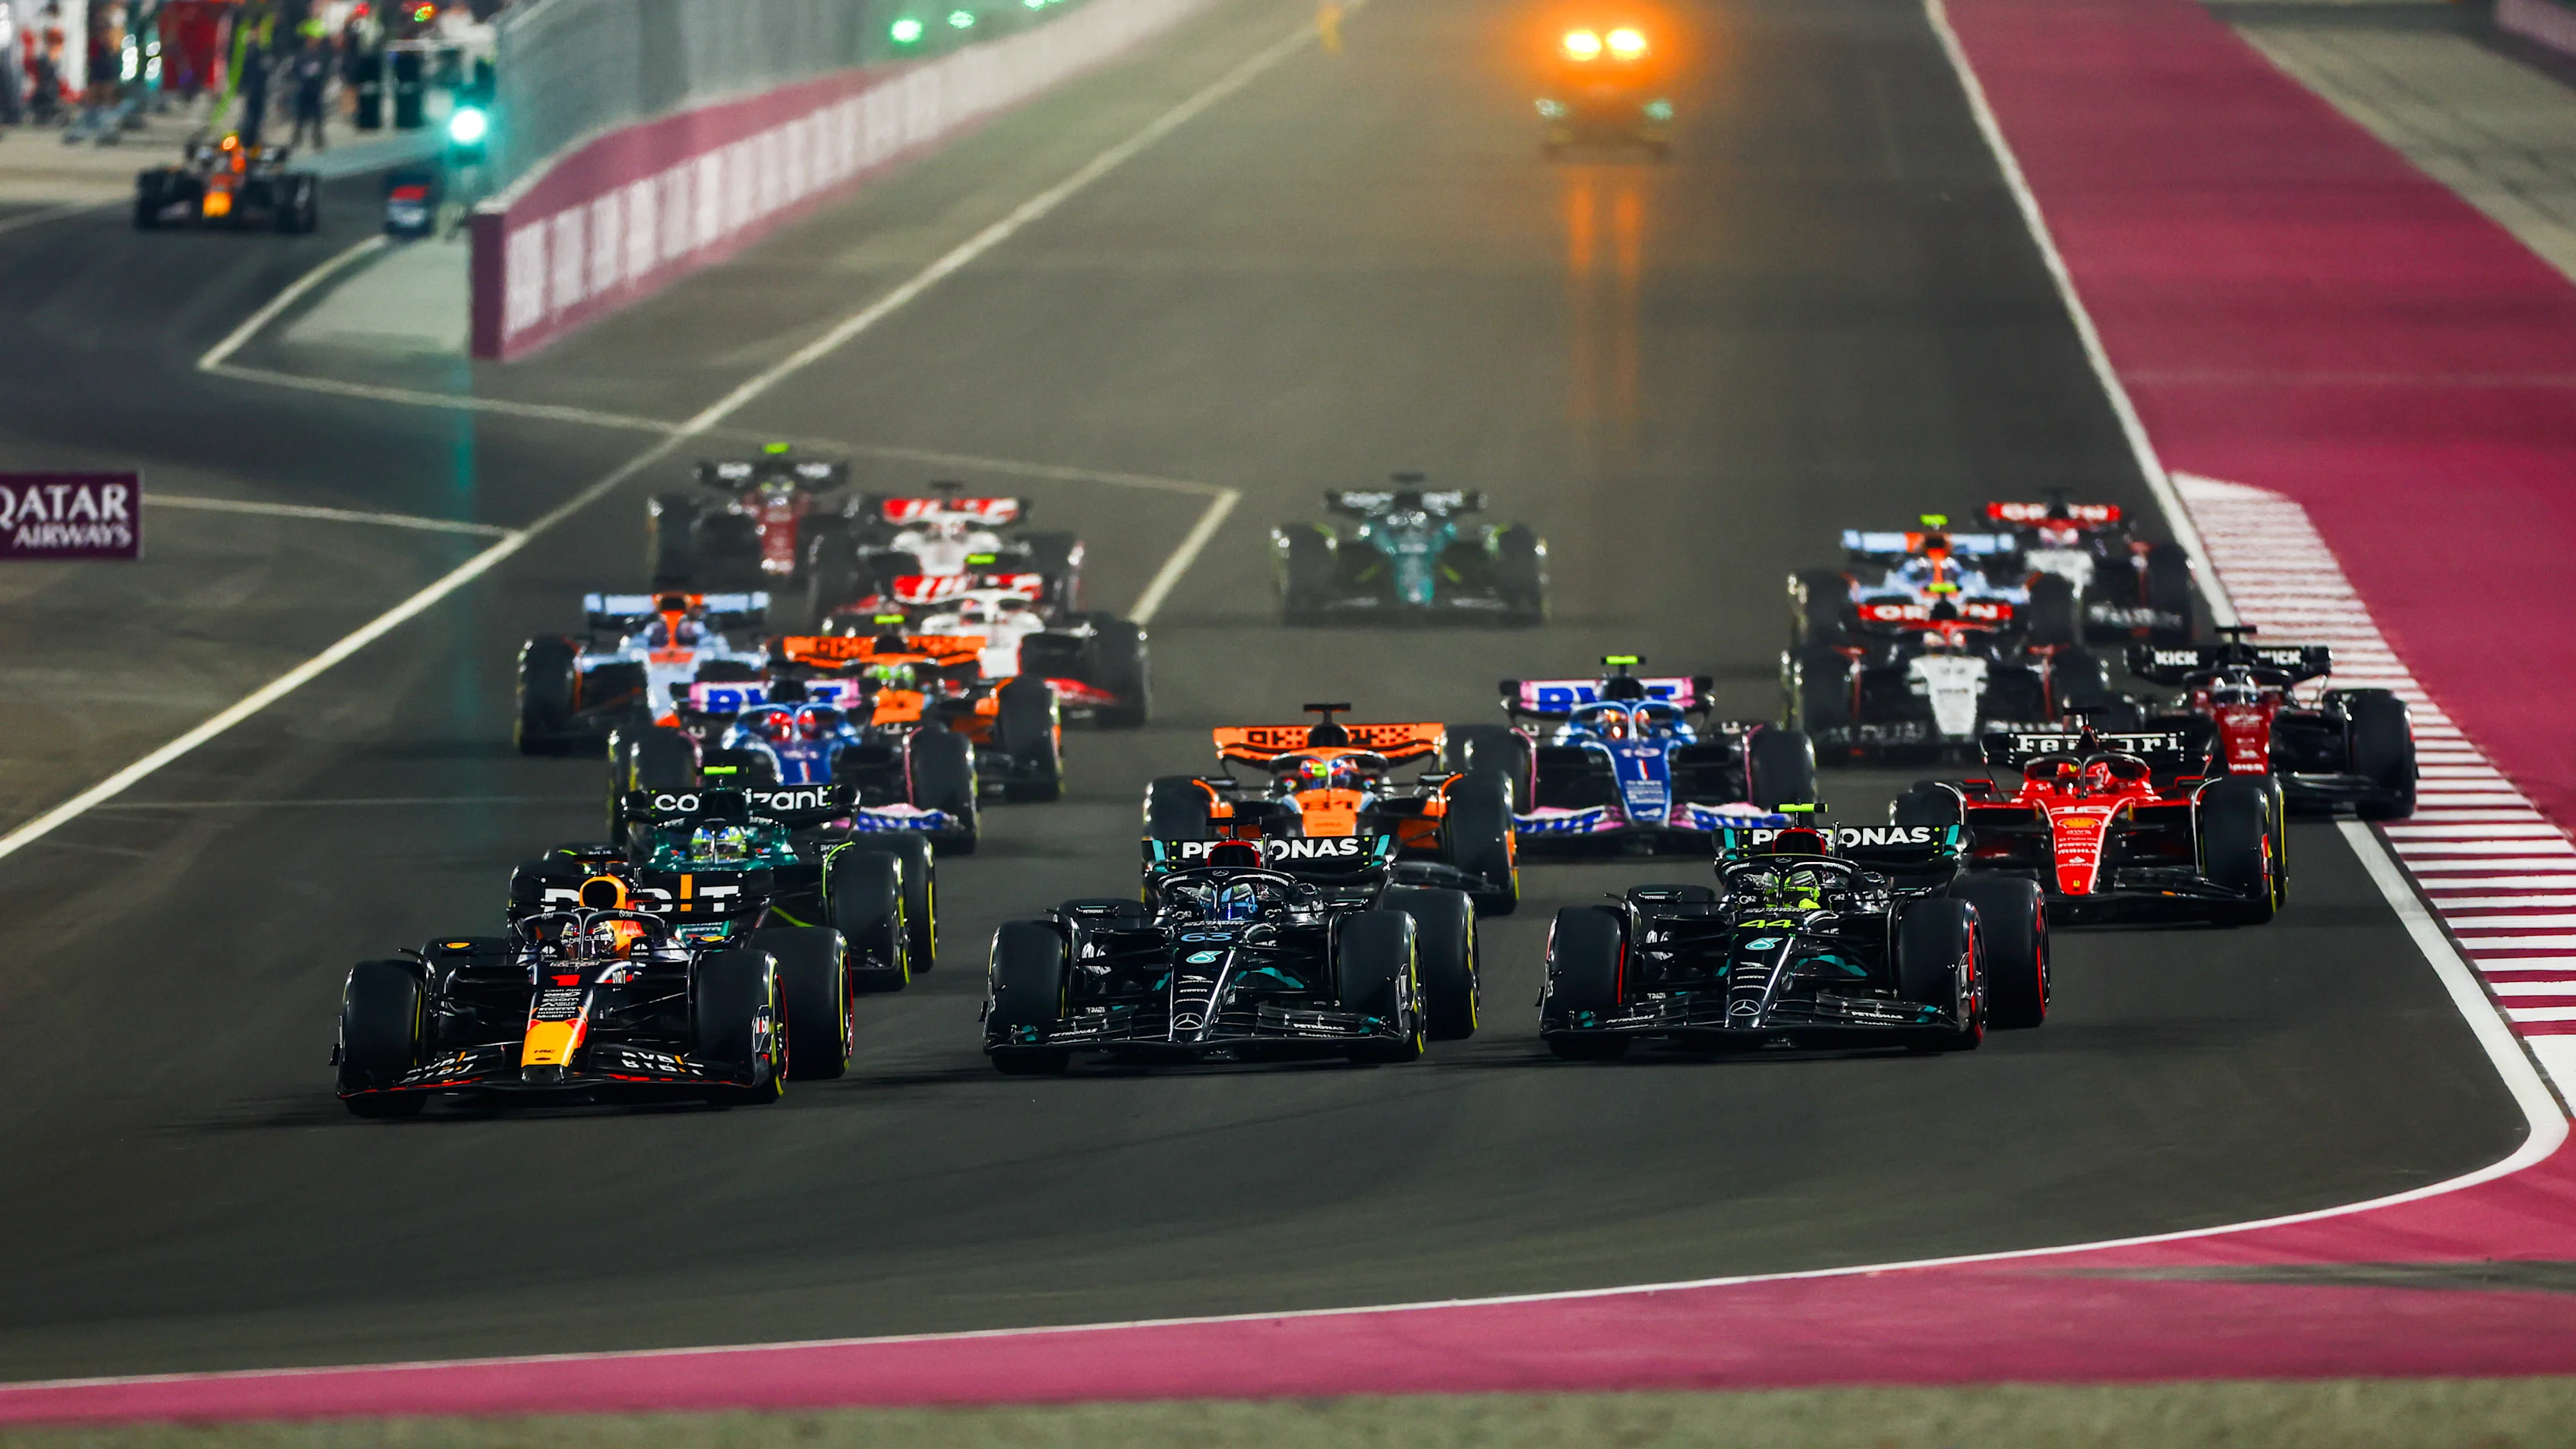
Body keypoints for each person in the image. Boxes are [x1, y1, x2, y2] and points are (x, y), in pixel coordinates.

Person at [287, 33, 326, 148]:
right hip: (303, 90)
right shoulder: (301, 56)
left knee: (317, 118)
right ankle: (297, 139)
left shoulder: (319, 56)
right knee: (300, 118)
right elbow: (295, 71)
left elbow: (324, 71)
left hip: (315, 91)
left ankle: (318, 140)